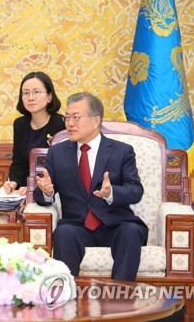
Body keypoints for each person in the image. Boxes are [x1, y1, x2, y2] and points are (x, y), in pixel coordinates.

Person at [34, 92, 148, 281]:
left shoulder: (122, 151)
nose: (69, 123)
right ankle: (65, 297)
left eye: (76, 118)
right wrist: (46, 192)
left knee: (131, 232)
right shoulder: (57, 153)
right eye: (67, 117)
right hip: (76, 225)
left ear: (96, 121)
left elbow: (136, 191)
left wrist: (112, 193)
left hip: (115, 224)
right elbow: (41, 193)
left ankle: (120, 299)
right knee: (63, 232)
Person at [3, 71, 65, 195]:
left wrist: (34, 187)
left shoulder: (62, 124)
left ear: (49, 97)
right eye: (26, 93)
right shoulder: (20, 124)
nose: (31, 97)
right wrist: (13, 181)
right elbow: (18, 163)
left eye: (36, 92)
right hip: (24, 191)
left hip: (53, 191)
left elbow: (62, 168)